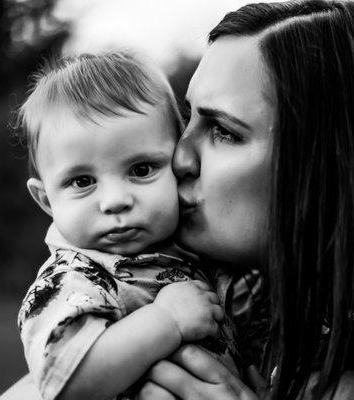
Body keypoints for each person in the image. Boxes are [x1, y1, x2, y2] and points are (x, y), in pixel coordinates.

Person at [1, 1, 354, 399]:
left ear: (328, 160)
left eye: (224, 132)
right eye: (189, 120)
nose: (178, 157)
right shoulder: (236, 294)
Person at [14, 52, 244, 400]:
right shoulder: (73, 280)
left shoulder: (199, 252)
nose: (115, 200)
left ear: (178, 164)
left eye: (140, 170)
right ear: (46, 200)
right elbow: (64, 384)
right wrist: (166, 320)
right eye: (82, 181)